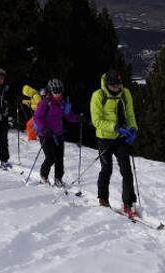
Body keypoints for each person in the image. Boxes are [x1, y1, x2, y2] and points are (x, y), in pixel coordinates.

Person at [90, 69, 139, 216]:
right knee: (107, 169)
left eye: (119, 85)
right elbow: (96, 121)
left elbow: (130, 114)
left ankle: (128, 203)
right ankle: (103, 198)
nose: (117, 88)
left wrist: (133, 129)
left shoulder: (125, 93)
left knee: (126, 170)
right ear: (107, 84)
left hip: (121, 138)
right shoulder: (98, 96)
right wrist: (115, 127)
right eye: (113, 86)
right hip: (104, 138)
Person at [35, 78, 79, 186]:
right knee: (50, 157)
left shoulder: (63, 102)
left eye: (59, 91)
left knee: (59, 158)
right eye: (55, 92)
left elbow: (68, 116)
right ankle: (44, 175)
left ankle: (58, 178)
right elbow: (37, 117)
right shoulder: (45, 102)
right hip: (45, 134)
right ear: (50, 91)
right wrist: (43, 128)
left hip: (58, 133)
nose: (57, 94)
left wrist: (78, 118)